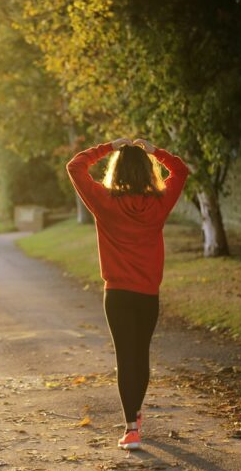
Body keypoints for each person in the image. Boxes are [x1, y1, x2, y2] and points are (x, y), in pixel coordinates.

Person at [66, 137, 189, 450]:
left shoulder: (104, 201)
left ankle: (131, 428)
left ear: (116, 171)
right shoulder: (159, 202)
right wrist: (155, 151)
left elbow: (75, 166)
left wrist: (108, 147)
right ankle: (135, 415)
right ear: (148, 171)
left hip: (117, 294)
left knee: (125, 356)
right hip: (147, 294)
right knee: (140, 355)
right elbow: (181, 170)